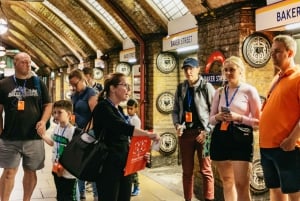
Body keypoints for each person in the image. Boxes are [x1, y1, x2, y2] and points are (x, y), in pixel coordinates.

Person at [92, 72, 160, 201]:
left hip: (123, 165)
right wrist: (148, 134)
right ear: (112, 88)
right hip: (108, 166)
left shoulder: (119, 110)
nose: (128, 89)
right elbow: (123, 128)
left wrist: (140, 155)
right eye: (125, 85)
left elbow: (124, 140)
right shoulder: (103, 108)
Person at [0, 52, 52, 201]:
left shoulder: (38, 83)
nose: (27, 64)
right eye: (23, 62)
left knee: (31, 171)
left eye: (29, 62)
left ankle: (26, 199)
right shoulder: (4, 84)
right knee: (9, 172)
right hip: (10, 137)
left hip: (34, 137)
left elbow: (48, 105)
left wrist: (43, 121)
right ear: (15, 63)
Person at [209, 56, 261, 201]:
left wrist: (239, 118)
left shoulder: (249, 90)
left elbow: (258, 122)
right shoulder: (219, 92)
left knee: (241, 184)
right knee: (227, 181)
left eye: (232, 70)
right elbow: (211, 120)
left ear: (240, 71)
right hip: (222, 137)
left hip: (241, 138)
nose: (228, 73)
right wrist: (219, 117)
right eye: (225, 70)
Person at [259, 35, 300, 201]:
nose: (272, 55)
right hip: (267, 147)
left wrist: (292, 139)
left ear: (289, 53)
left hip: (287, 148)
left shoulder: (298, 77)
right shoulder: (278, 77)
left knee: (294, 193)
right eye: (271, 51)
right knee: (274, 190)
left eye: (277, 51)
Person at [172, 57, 215, 201]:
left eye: (191, 68)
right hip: (185, 134)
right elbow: (175, 110)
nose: (188, 71)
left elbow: (215, 112)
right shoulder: (181, 88)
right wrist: (177, 125)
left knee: (206, 170)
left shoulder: (206, 87)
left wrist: (207, 130)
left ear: (198, 69)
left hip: (204, 134)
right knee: (187, 171)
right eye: (185, 69)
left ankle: (209, 198)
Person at [68, 69, 98, 201]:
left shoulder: (91, 94)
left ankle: (97, 196)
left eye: (75, 84)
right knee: (78, 165)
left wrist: (87, 131)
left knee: (91, 165)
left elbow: (95, 116)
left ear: (82, 79)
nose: (74, 87)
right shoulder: (75, 94)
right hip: (77, 131)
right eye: (72, 85)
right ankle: (81, 194)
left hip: (89, 134)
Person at [38, 100, 77, 201]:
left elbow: (73, 153)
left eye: (59, 112)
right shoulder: (57, 128)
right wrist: (42, 136)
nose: (56, 115)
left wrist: (64, 166)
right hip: (56, 167)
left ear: (68, 114)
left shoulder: (73, 131)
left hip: (68, 171)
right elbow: (52, 142)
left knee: (69, 196)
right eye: (54, 112)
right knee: (60, 194)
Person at [126, 98, 142, 196]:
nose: (129, 110)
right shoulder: (127, 117)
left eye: (131, 108)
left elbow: (135, 134)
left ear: (136, 109)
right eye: (128, 108)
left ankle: (136, 187)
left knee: (133, 169)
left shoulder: (136, 120)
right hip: (127, 144)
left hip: (133, 145)